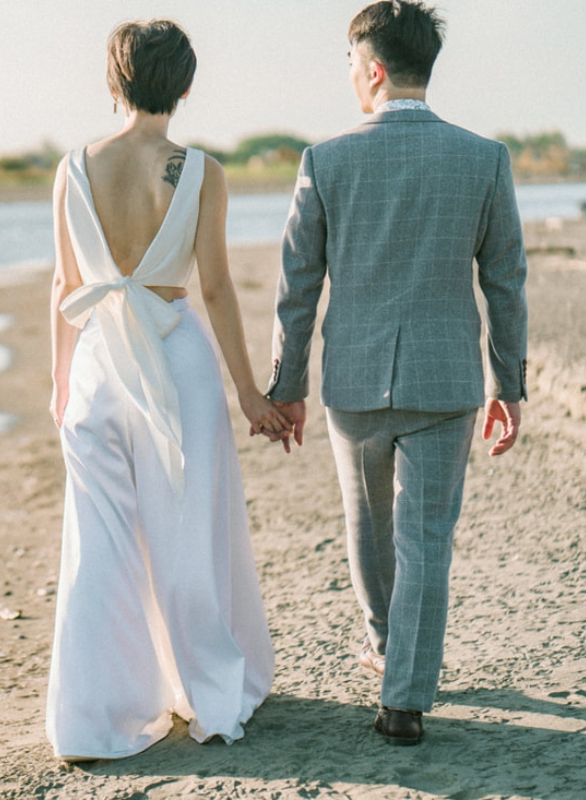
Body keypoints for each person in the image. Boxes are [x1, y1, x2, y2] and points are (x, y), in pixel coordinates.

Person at [266, 0, 528, 746]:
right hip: (448, 381)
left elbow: (297, 286)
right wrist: (510, 384)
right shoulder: (485, 158)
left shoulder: (325, 159)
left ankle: (389, 653)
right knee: (425, 539)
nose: (349, 76)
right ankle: (403, 694)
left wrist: (287, 387)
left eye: (351, 63)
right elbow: (506, 281)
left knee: (370, 528)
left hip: (353, 377)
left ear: (373, 70)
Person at [46, 19, 284, 762]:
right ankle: (206, 692)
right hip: (175, 361)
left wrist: (60, 382)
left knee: (99, 546)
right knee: (187, 541)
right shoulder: (200, 170)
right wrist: (249, 390)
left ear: (112, 83)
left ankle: (94, 720)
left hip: (95, 365)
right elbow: (212, 285)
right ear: (183, 88)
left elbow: (65, 284)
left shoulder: (72, 168)